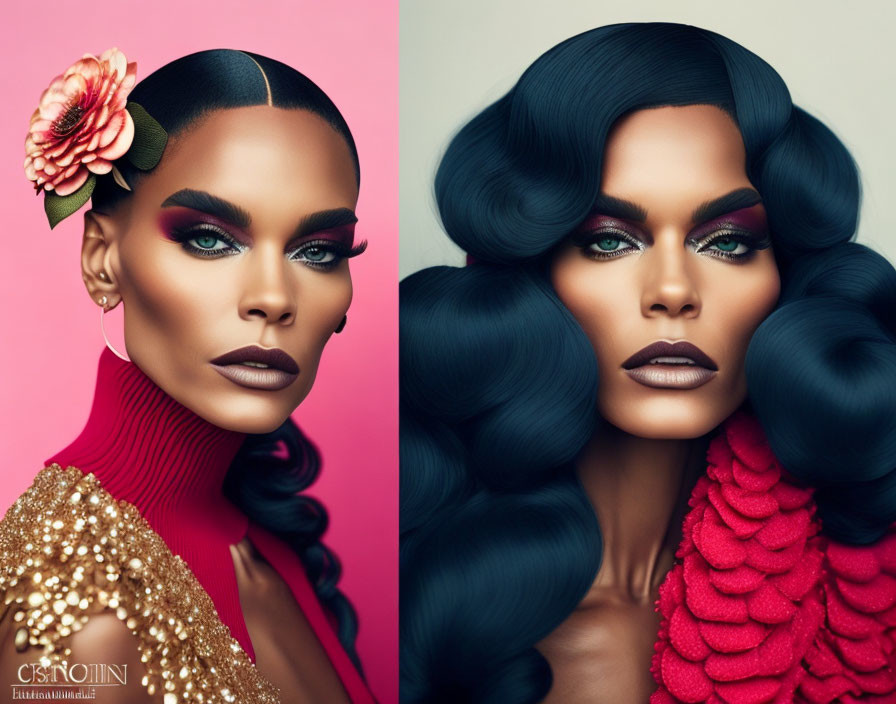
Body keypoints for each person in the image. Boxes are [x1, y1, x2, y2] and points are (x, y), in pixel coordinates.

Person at [399, 22, 896, 704]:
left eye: (726, 242)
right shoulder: (411, 594)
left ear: (787, 276)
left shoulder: (867, 607)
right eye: (609, 242)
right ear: (533, 277)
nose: (672, 290)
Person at [1, 47, 377, 703]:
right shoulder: (72, 606)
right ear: (102, 260)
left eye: (317, 251)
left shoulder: (261, 538)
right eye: (209, 238)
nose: (273, 297)